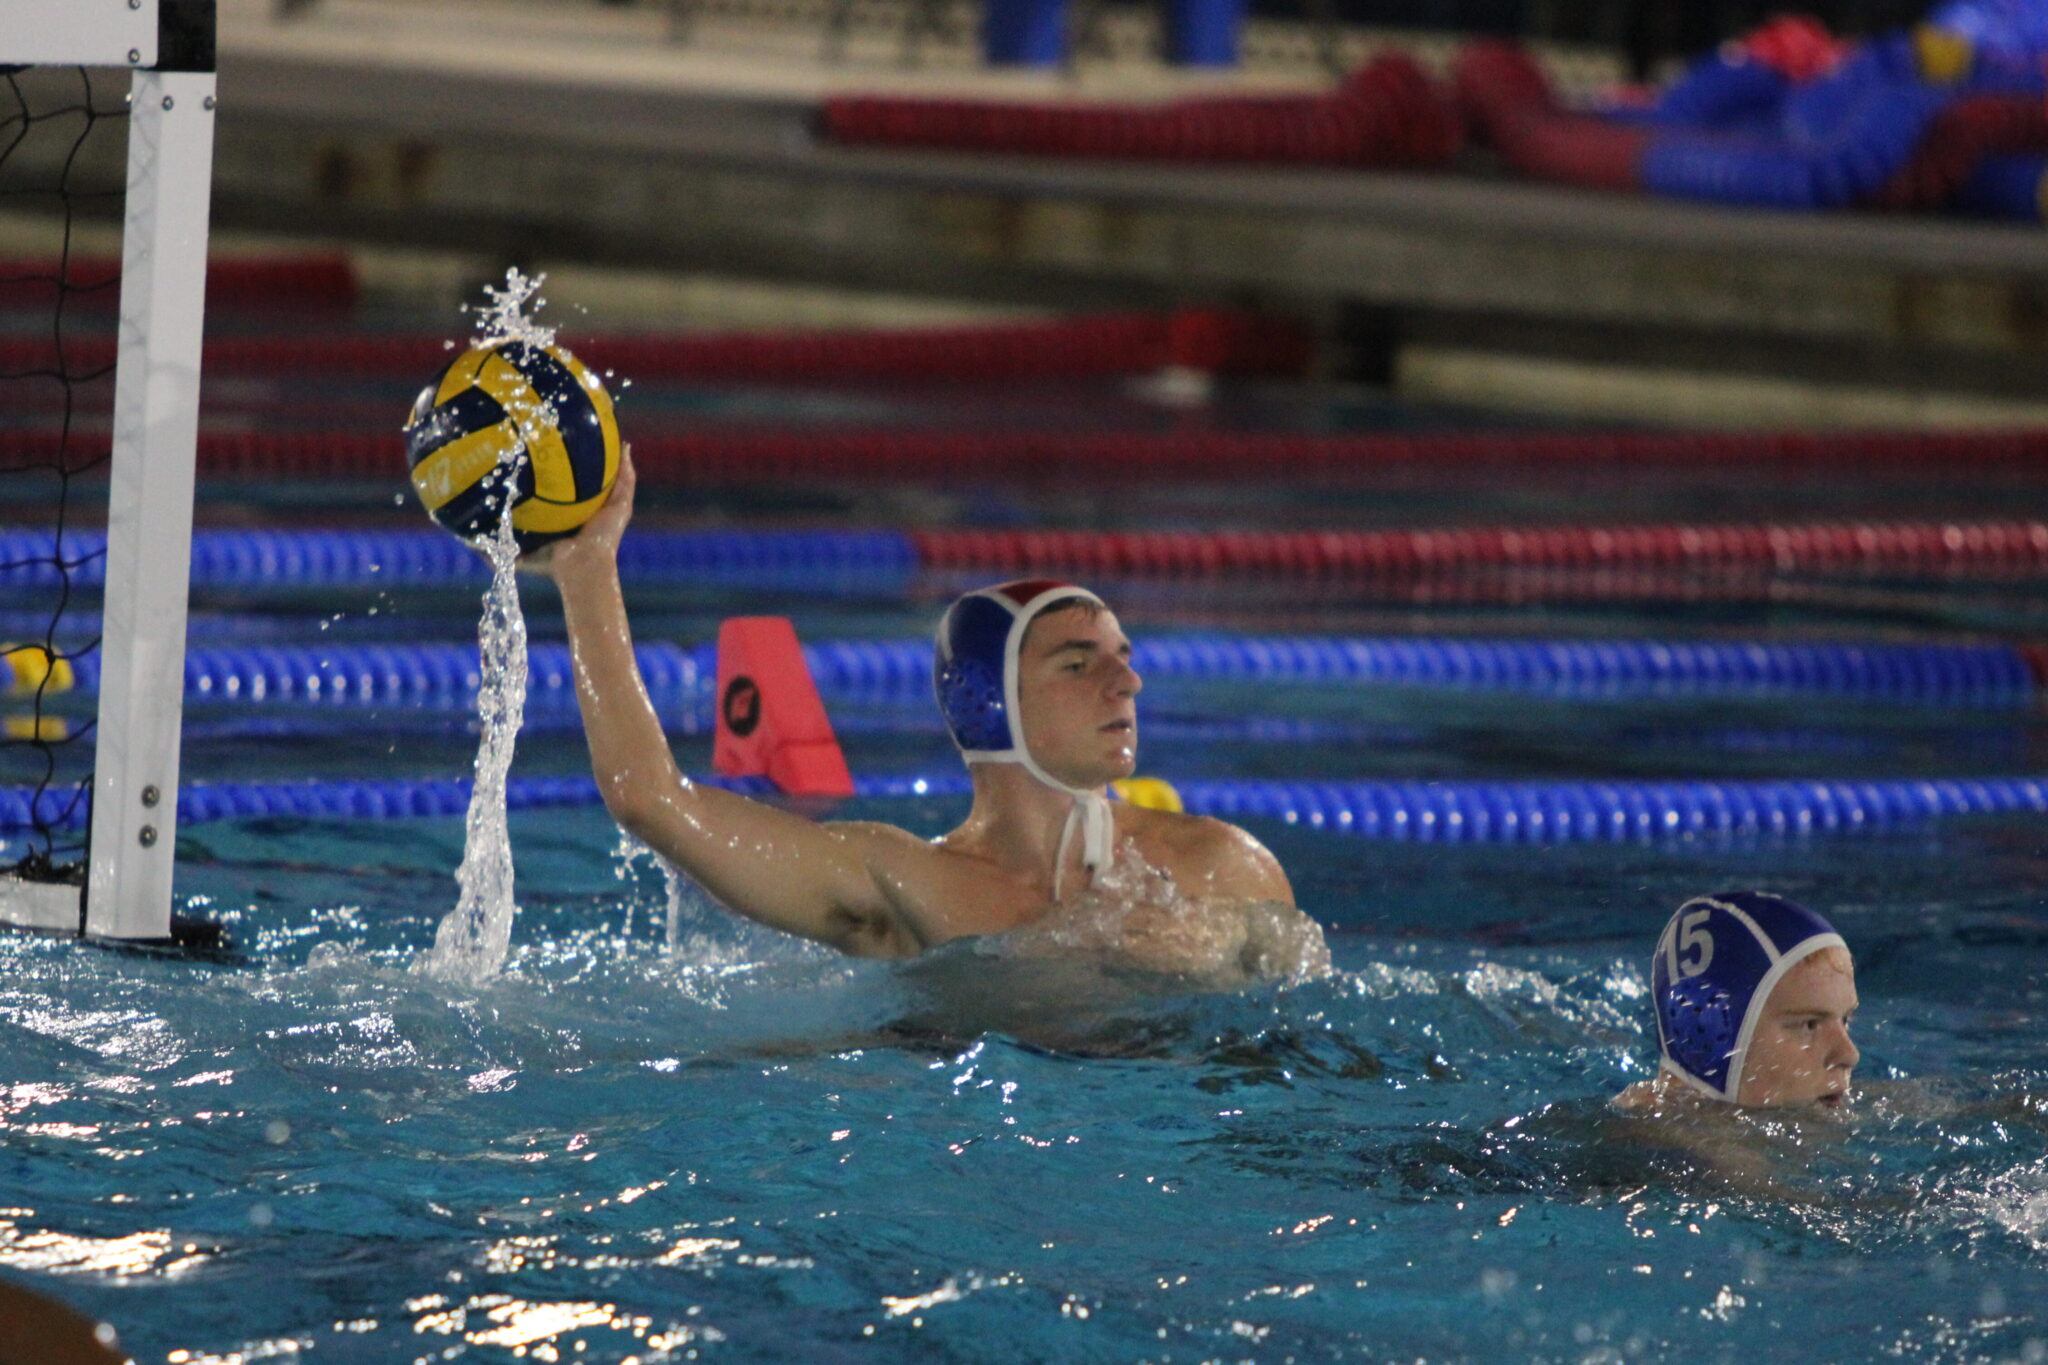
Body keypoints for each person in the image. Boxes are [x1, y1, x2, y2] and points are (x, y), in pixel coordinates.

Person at [531, 451, 1315, 979]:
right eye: (1079, 664)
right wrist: (586, 568)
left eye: (1123, 656)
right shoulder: (904, 885)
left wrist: (1229, 952)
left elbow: (1311, 1025)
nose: (1127, 684)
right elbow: (650, 798)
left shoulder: (1218, 867)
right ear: (988, 700)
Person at [1614, 890, 1860, 1113]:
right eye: (1809, 1024)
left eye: (1846, 1019)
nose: (1849, 1054)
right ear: (1704, 1030)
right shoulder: (1631, 1154)